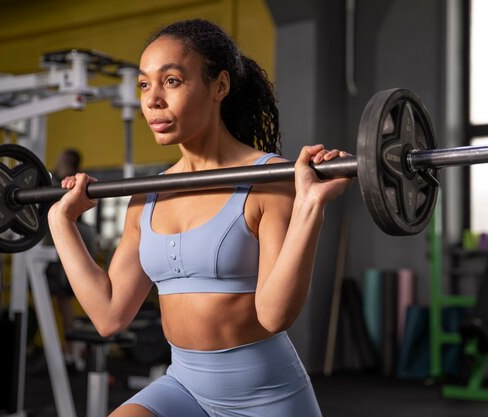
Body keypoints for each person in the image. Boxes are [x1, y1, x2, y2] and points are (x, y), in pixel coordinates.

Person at [48, 19, 351, 417]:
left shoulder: (270, 179)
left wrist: (311, 204)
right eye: (144, 85)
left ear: (219, 87)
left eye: (171, 81)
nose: (153, 99)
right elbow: (109, 314)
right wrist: (60, 222)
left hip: (267, 396)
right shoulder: (146, 195)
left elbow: (275, 315)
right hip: (184, 387)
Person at [45, 148, 98, 370]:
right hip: (70, 237)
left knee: (67, 300)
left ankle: (72, 352)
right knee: (63, 301)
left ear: (67, 161)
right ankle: (71, 351)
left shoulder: (72, 181)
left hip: (72, 237)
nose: (58, 161)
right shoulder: (61, 180)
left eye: (62, 158)